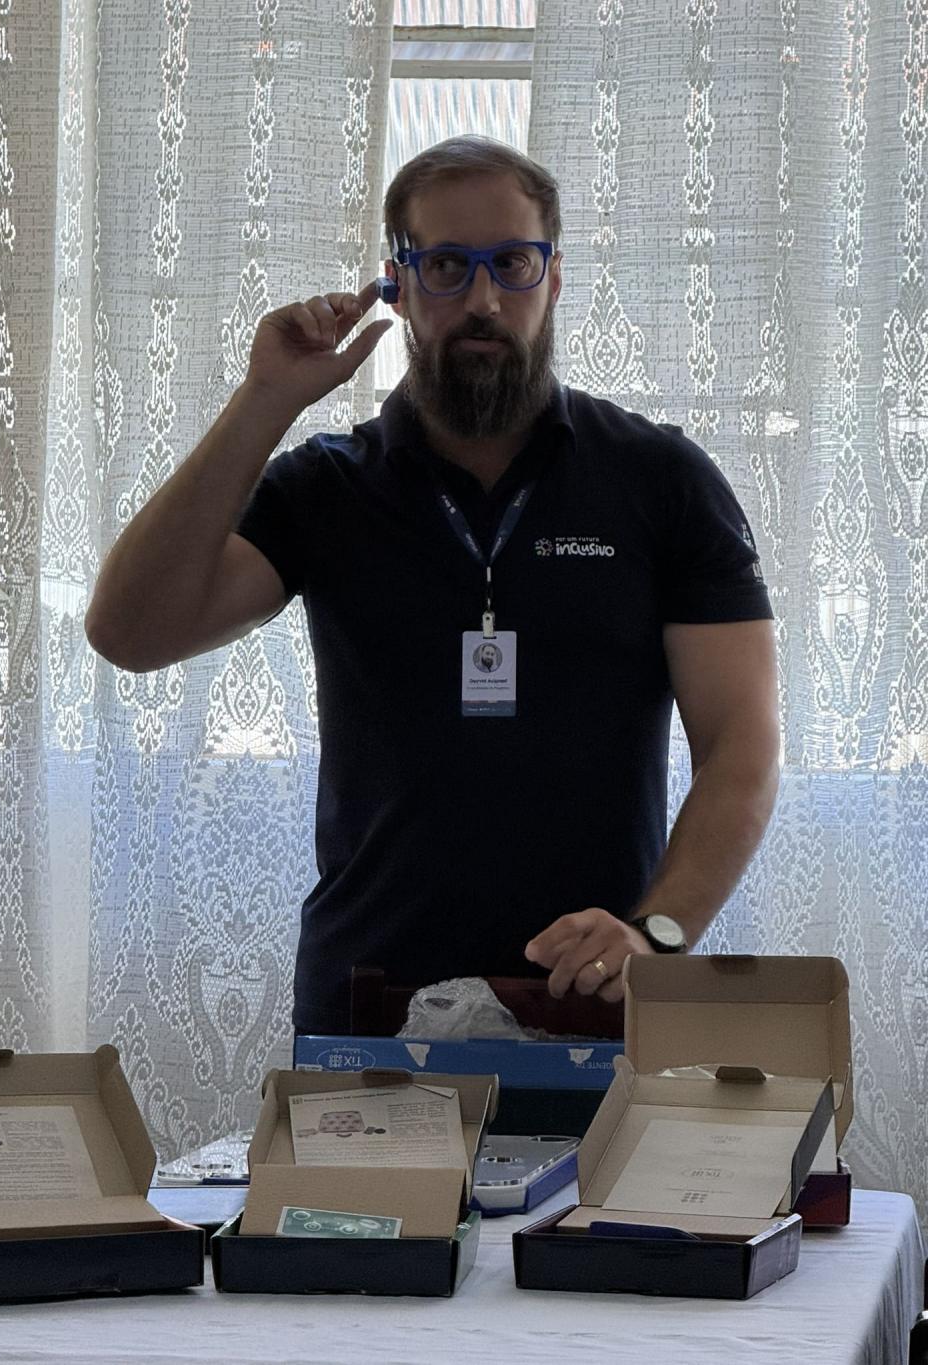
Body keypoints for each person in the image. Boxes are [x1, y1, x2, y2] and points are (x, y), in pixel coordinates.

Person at [85, 136, 780, 1036]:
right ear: (399, 286)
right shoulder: (327, 486)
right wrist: (265, 397)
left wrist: (658, 933)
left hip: (596, 1003)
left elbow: (741, 747)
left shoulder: (661, 481)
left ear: (554, 278)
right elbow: (130, 631)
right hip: (366, 1013)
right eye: (447, 265)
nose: (484, 299)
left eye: (512, 264)